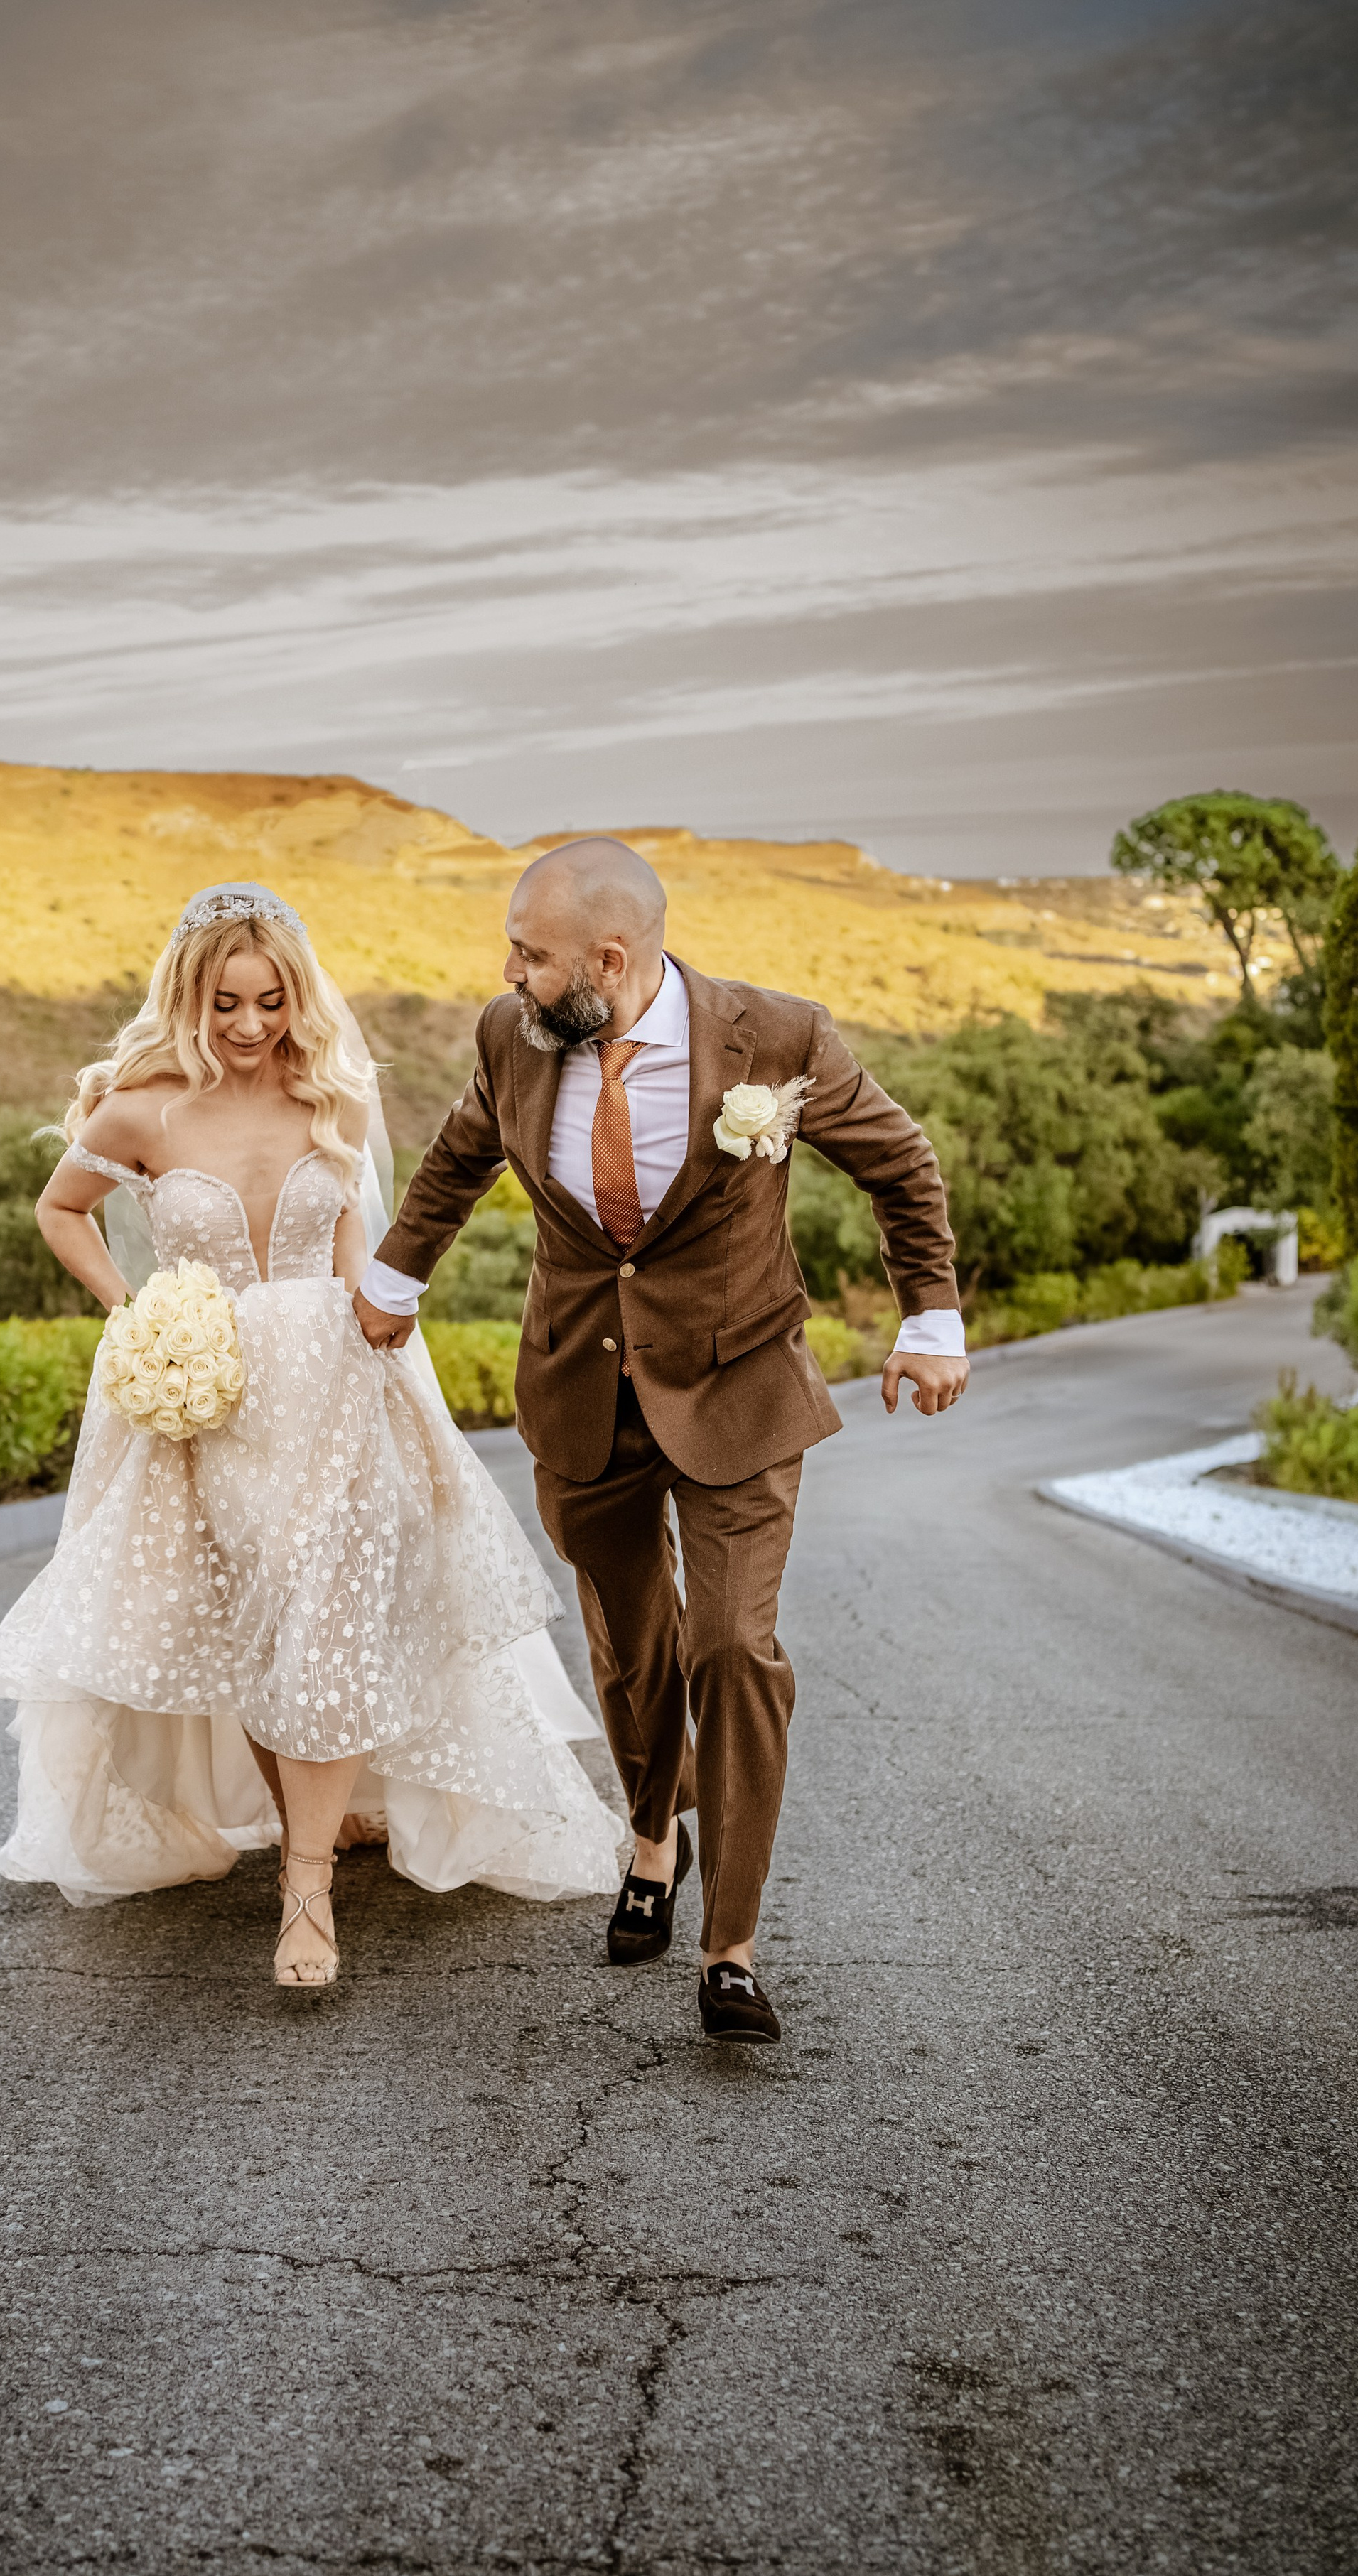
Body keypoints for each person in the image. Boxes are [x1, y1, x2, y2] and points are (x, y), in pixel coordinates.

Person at [355, 838, 968, 2044]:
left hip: (739, 1387)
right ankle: (654, 1836)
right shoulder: (509, 1040)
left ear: (610, 958)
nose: (511, 972)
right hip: (583, 1393)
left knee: (734, 1649)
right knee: (636, 1655)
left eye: (530, 955)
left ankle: (729, 1947)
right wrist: (391, 1281)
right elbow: (453, 1165)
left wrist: (931, 1316)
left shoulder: (778, 1041)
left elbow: (900, 1163)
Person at [0, 884, 623, 1988]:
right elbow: (59, 1209)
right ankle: (315, 1827)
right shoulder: (143, 1107)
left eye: (270, 1001)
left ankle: (307, 1894)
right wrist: (134, 1313)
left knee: (328, 1621)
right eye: (226, 1002)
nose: (248, 1026)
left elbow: (357, 1248)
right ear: (190, 993)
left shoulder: (335, 1095)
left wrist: (384, 1373)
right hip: (213, 1409)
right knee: (269, 1632)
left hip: (336, 1385)